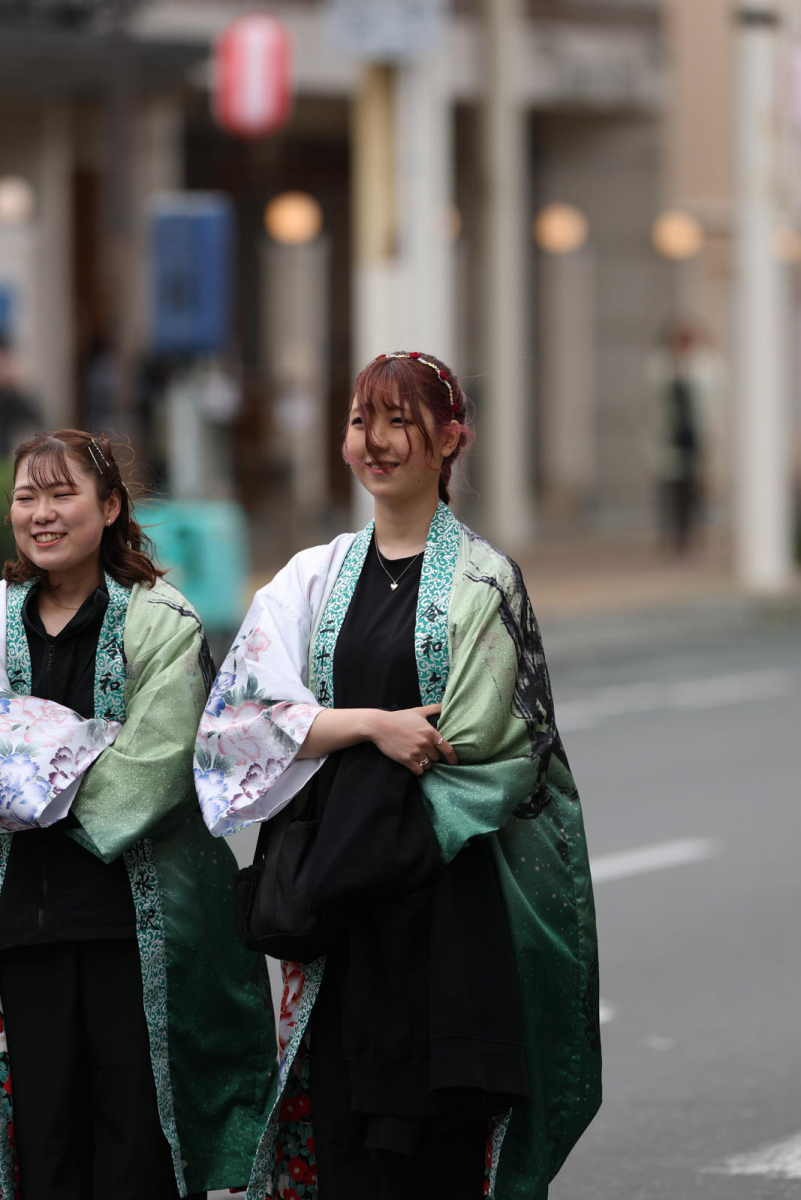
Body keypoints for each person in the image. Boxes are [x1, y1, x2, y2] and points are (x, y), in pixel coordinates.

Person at [196, 353, 601, 1200]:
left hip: (446, 909)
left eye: (397, 423)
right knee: (345, 1137)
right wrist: (372, 727)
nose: (372, 443)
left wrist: (331, 741)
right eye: (358, 421)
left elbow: (487, 755)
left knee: (438, 1149)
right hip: (340, 908)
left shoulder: (482, 583)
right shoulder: (312, 576)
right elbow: (235, 723)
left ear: (450, 440)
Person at [0, 430, 275, 1200]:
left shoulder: (162, 621)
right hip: (21, 929)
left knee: (136, 1139)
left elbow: (151, 774)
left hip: (136, 928)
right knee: (43, 1144)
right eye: (28, 497)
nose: (42, 514)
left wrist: (21, 785)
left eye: (63, 496)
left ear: (111, 506)